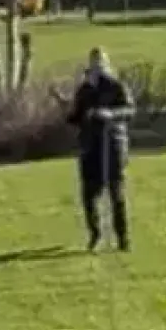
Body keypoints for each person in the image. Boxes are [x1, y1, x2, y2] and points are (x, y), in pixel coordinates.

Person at [67, 48, 133, 253]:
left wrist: (110, 114)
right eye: (94, 63)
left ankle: (122, 238)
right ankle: (95, 234)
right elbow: (75, 118)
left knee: (116, 192)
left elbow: (129, 110)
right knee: (89, 194)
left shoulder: (116, 86)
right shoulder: (84, 89)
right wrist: (72, 110)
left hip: (112, 144)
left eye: (100, 63)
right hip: (90, 145)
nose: (97, 67)